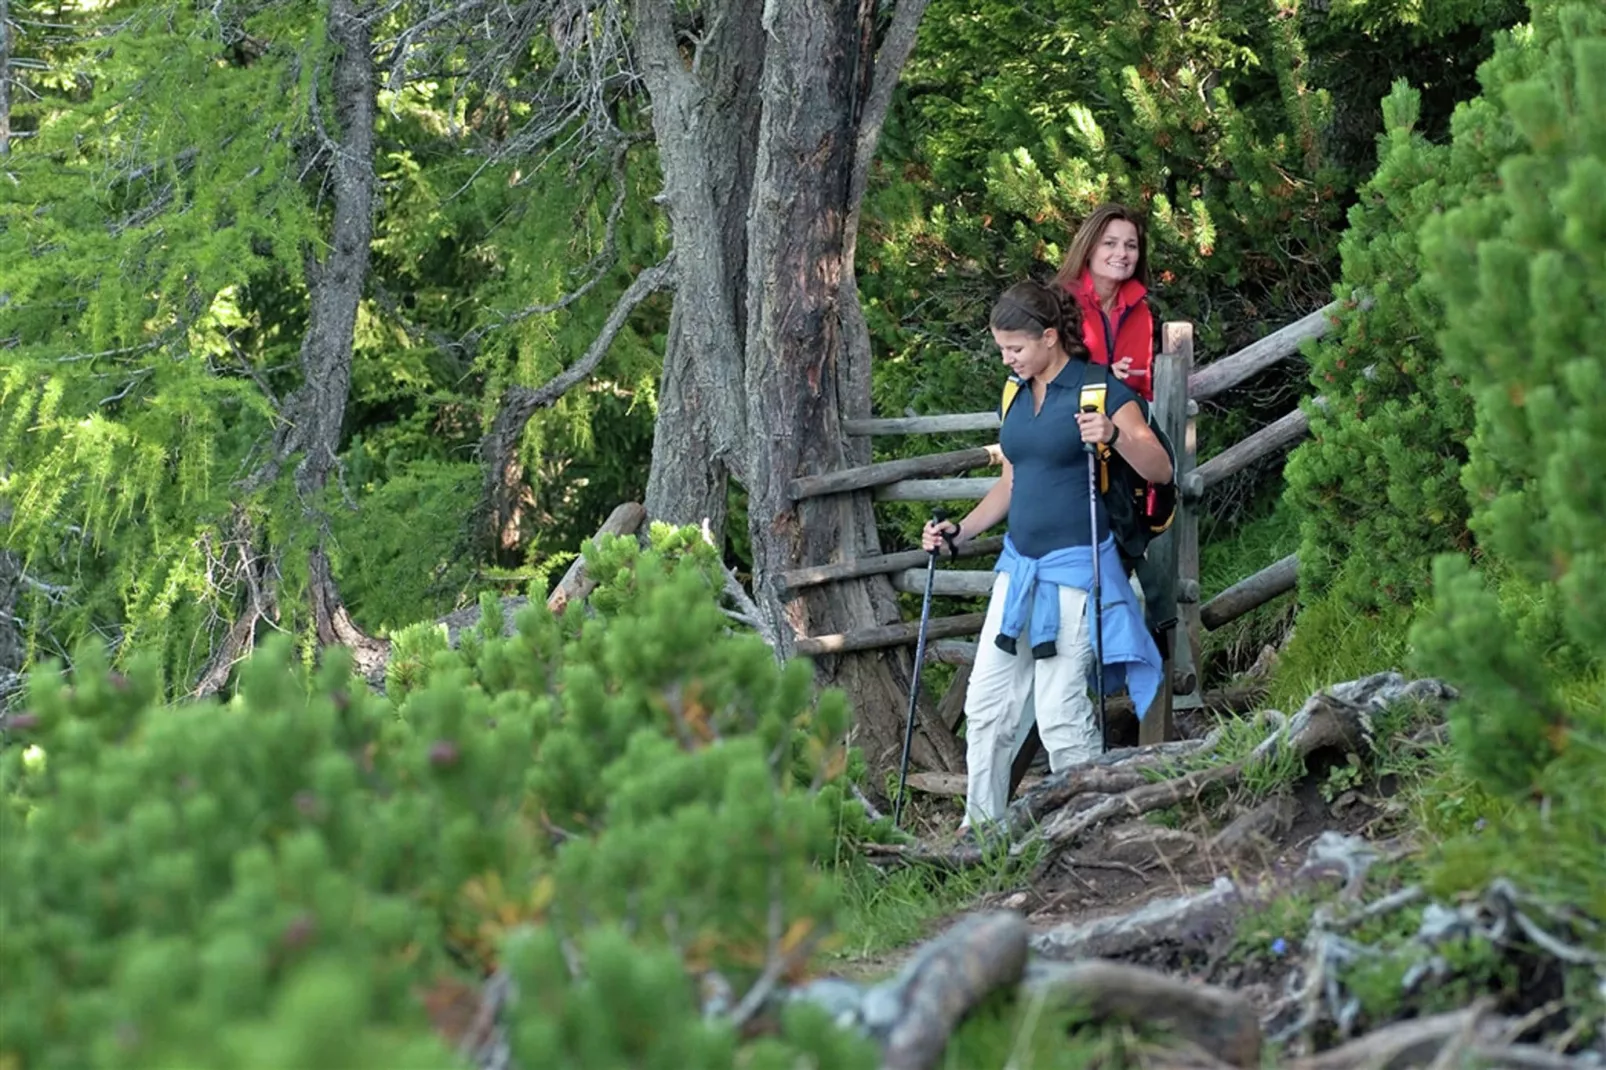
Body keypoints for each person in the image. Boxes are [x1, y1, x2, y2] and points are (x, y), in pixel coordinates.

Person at [923, 280, 1169, 837]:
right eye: (1002, 349)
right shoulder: (1015, 393)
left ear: (1050, 337)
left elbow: (1159, 469)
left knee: (1059, 711)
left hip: (1078, 573)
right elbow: (1012, 483)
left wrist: (1112, 434)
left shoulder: (1097, 390)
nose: (1007, 359)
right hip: (1020, 570)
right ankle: (978, 831)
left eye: (1015, 348)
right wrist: (959, 531)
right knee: (986, 705)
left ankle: (1085, 830)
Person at [1054, 203, 1155, 402]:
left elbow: (1143, 388)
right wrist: (1105, 375)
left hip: (1126, 424)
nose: (1122, 253)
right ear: (1089, 249)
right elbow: (1044, 377)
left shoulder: (1140, 311)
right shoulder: (1057, 302)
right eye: (1110, 243)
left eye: (1131, 245)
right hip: (1067, 424)